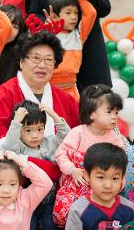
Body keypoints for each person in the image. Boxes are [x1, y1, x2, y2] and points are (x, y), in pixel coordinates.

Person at [0, 30, 79, 143]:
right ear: (21, 61)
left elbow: (79, 134)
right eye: (35, 58)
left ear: (55, 65)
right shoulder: (3, 94)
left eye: (49, 60)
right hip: (17, 159)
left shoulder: (65, 99)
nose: (42, 65)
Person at [29, 0, 112, 91]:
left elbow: (104, 8)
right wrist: (47, 23)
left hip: (89, 44)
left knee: (97, 98)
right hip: (57, 54)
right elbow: (34, 12)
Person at [53, 84, 126, 227]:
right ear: (92, 114)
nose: (114, 117)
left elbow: (121, 166)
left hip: (103, 189)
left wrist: (118, 185)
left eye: (116, 112)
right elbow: (60, 154)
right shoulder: (78, 133)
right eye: (109, 112)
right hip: (76, 185)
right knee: (67, 214)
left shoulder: (115, 139)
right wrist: (71, 170)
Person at [0, 100, 70, 230]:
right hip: (26, 200)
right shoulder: (18, 147)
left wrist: (54, 115)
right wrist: (16, 122)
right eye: (28, 130)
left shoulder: (50, 142)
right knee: (28, 226)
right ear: (19, 131)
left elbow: (67, 137)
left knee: (50, 225)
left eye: (39, 129)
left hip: (48, 200)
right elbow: (8, 148)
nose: (35, 135)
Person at [66, 143, 134, 230]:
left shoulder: (130, 209)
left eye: (115, 178)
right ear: (86, 175)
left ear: (122, 178)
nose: (108, 185)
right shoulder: (78, 209)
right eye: (101, 177)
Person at [46, 0, 96, 101]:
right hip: (48, 90)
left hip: (71, 91)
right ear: (55, 16)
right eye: (68, 13)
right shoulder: (47, 34)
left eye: (76, 13)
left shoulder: (79, 35)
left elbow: (91, 12)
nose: (73, 17)